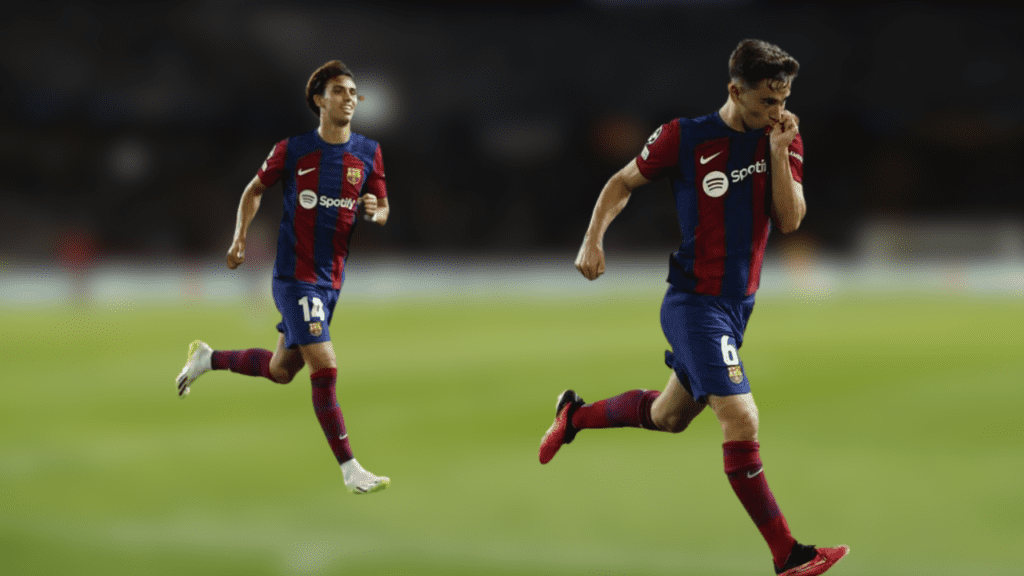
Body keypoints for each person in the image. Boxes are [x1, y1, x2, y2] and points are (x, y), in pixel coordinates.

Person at [539, 39, 849, 575]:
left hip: (737, 308)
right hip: (693, 303)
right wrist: (593, 239)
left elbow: (792, 219)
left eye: (783, 100)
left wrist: (778, 155)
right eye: (766, 103)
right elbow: (622, 182)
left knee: (670, 415)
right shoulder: (684, 137)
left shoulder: (782, 139)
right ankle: (788, 555)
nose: (777, 113)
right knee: (742, 418)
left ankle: (574, 415)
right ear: (734, 91)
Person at [176, 60, 390, 495]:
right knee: (325, 368)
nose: (350, 98)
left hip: (331, 282)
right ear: (319, 100)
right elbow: (254, 190)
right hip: (294, 277)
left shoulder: (369, 152)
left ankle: (208, 358)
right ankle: (351, 469)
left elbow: (383, 205)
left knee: (280, 370)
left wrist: (377, 211)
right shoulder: (292, 150)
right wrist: (239, 238)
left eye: (354, 92)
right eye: (340, 91)